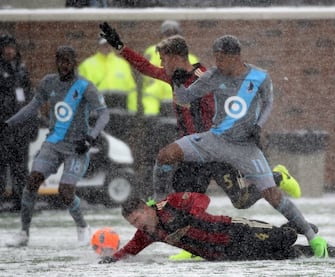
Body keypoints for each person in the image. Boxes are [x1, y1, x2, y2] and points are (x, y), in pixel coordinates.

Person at [99, 22, 315, 260]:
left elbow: (229, 109)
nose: (160, 64)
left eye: (163, 59)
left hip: (217, 148)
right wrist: (120, 47)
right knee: (181, 202)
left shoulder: (207, 77)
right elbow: (145, 68)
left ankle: (277, 177)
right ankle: (192, 247)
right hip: (195, 151)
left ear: (174, 57)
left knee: (241, 200)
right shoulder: (175, 78)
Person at [2, 45, 110, 247]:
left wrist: (90, 137)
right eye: (60, 61)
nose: (63, 65)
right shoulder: (48, 82)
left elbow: (104, 113)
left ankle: (83, 228)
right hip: (53, 143)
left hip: (77, 147)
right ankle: (23, 233)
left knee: (65, 191)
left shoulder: (84, 86)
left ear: (74, 63)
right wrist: (9, 123)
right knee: (32, 181)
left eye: (67, 61)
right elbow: (32, 107)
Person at [98, 192, 335, 263]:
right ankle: (311, 252)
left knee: (282, 238)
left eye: (137, 218)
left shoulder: (170, 205)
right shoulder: (147, 233)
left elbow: (200, 199)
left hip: (232, 230)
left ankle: (293, 227)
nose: (136, 225)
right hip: (219, 253)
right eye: (132, 223)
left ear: (145, 208)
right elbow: (131, 249)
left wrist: (195, 213)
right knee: (280, 256)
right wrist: (113, 259)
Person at [0, 33, 38, 211]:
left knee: (20, 167)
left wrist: (33, 123)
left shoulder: (21, 69)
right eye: (6, 48)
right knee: (2, 165)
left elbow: (30, 97)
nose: (9, 51)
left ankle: (20, 201)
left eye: (12, 47)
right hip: (4, 127)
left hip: (20, 128)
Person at [140, 20, 199, 115]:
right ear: (161, 37)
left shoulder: (192, 59)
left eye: (173, 34)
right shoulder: (151, 53)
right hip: (157, 106)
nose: (170, 37)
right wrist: (151, 113)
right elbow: (147, 84)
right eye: (167, 34)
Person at [78, 37, 137, 110]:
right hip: (96, 113)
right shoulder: (87, 65)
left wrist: (132, 110)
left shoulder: (123, 65)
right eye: (104, 45)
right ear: (99, 46)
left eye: (109, 44)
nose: (107, 47)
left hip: (120, 112)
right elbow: (79, 90)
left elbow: (131, 90)